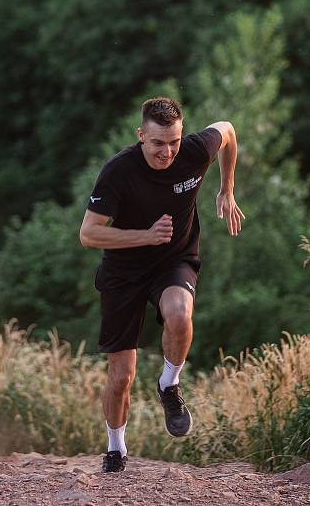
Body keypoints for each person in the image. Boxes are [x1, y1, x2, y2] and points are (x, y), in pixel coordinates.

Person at [79, 97, 244, 473]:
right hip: (123, 272)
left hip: (174, 260)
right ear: (141, 136)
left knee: (179, 314)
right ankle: (115, 449)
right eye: (157, 143)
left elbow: (229, 131)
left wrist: (227, 189)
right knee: (121, 376)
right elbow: (88, 235)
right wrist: (145, 235)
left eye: (173, 141)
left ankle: (169, 385)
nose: (166, 151)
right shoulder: (119, 171)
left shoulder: (195, 151)